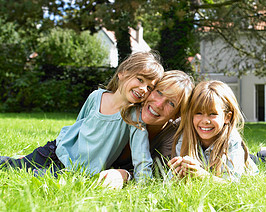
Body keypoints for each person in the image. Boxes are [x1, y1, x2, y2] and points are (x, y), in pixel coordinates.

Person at [0, 51, 164, 182]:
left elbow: (141, 156)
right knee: (12, 166)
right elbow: (78, 125)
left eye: (150, 87)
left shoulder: (134, 117)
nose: (143, 89)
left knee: (36, 177)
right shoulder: (96, 96)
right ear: (122, 73)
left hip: (77, 170)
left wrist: (143, 183)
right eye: (140, 79)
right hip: (55, 150)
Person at [97, 70, 195, 188]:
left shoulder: (171, 139)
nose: (159, 104)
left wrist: (126, 175)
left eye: (171, 103)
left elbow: (155, 177)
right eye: (159, 92)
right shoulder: (122, 110)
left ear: (177, 115)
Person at [168, 80, 258, 182]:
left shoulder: (232, 141)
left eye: (212, 114)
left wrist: (202, 175)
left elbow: (233, 184)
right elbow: (171, 181)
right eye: (198, 113)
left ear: (227, 117)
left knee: (263, 158)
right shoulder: (185, 138)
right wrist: (178, 174)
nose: (205, 121)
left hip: (242, 161)